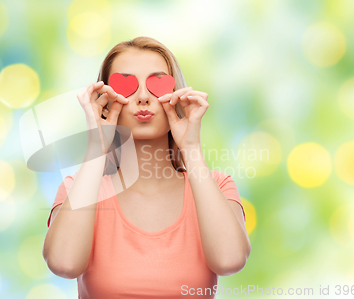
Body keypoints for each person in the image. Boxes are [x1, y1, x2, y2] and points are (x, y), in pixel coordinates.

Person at [43, 36, 251, 298]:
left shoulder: (217, 186)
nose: (142, 97)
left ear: (176, 95)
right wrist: (97, 146)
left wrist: (191, 147)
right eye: (126, 85)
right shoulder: (79, 188)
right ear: (105, 99)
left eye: (156, 84)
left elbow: (230, 260)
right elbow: (64, 264)